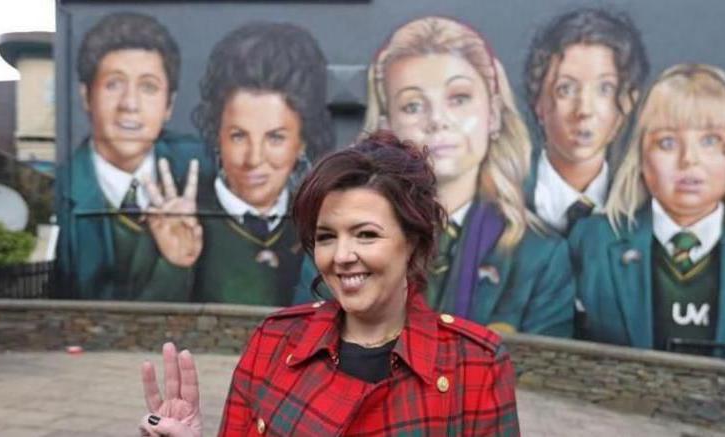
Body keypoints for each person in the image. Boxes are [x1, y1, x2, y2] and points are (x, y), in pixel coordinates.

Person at [138, 131, 520, 436]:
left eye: (366, 234)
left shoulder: (476, 364)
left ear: (413, 242)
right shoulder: (272, 343)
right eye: (325, 237)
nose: (341, 255)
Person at [295, 16, 574, 337]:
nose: (437, 120)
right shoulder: (336, 241)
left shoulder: (541, 257)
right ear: (387, 124)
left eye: (458, 99)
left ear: (493, 114)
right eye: (413, 105)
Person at [568, 64, 725, 358]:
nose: (688, 160)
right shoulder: (593, 241)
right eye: (667, 142)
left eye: (710, 141)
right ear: (641, 156)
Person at [171, 22, 333, 305]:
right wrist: (172, 264)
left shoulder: (319, 220)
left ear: (302, 141)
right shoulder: (175, 219)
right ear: (216, 135)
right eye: (238, 136)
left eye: (275, 137)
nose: (254, 159)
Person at [55, 12, 212, 300]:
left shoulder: (206, 167)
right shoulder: (59, 189)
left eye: (148, 87)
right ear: (85, 95)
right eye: (114, 84)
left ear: (169, 105)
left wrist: (177, 262)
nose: (129, 104)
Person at [523, 8, 649, 234]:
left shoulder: (643, 211)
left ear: (628, 101)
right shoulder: (500, 200)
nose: (584, 110)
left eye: (605, 89)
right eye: (566, 89)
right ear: (537, 102)